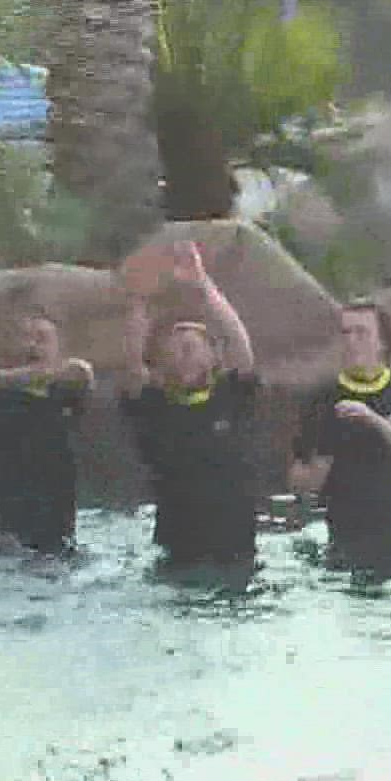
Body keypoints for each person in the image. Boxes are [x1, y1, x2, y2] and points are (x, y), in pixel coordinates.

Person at [119, 241, 264, 569]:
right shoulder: (155, 406)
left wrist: (202, 284)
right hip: (178, 544)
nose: (182, 354)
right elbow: (131, 365)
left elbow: (240, 344)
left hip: (235, 542)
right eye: (174, 349)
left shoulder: (231, 396)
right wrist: (138, 301)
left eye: (190, 347)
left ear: (214, 357)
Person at [288, 300, 391, 570]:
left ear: (383, 342)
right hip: (343, 537)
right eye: (345, 333)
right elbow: (297, 482)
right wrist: (321, 461)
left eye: (361, 333)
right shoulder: (322, 399)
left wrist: (375, 422)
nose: (351, 341)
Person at [0, 312, 94, 554]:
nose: (32, 345)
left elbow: (80, 371)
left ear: (59, 348)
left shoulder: (66, 392)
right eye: (25, 338)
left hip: (59, 533)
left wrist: (8, 377)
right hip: (9, 536)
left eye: (41, 338)